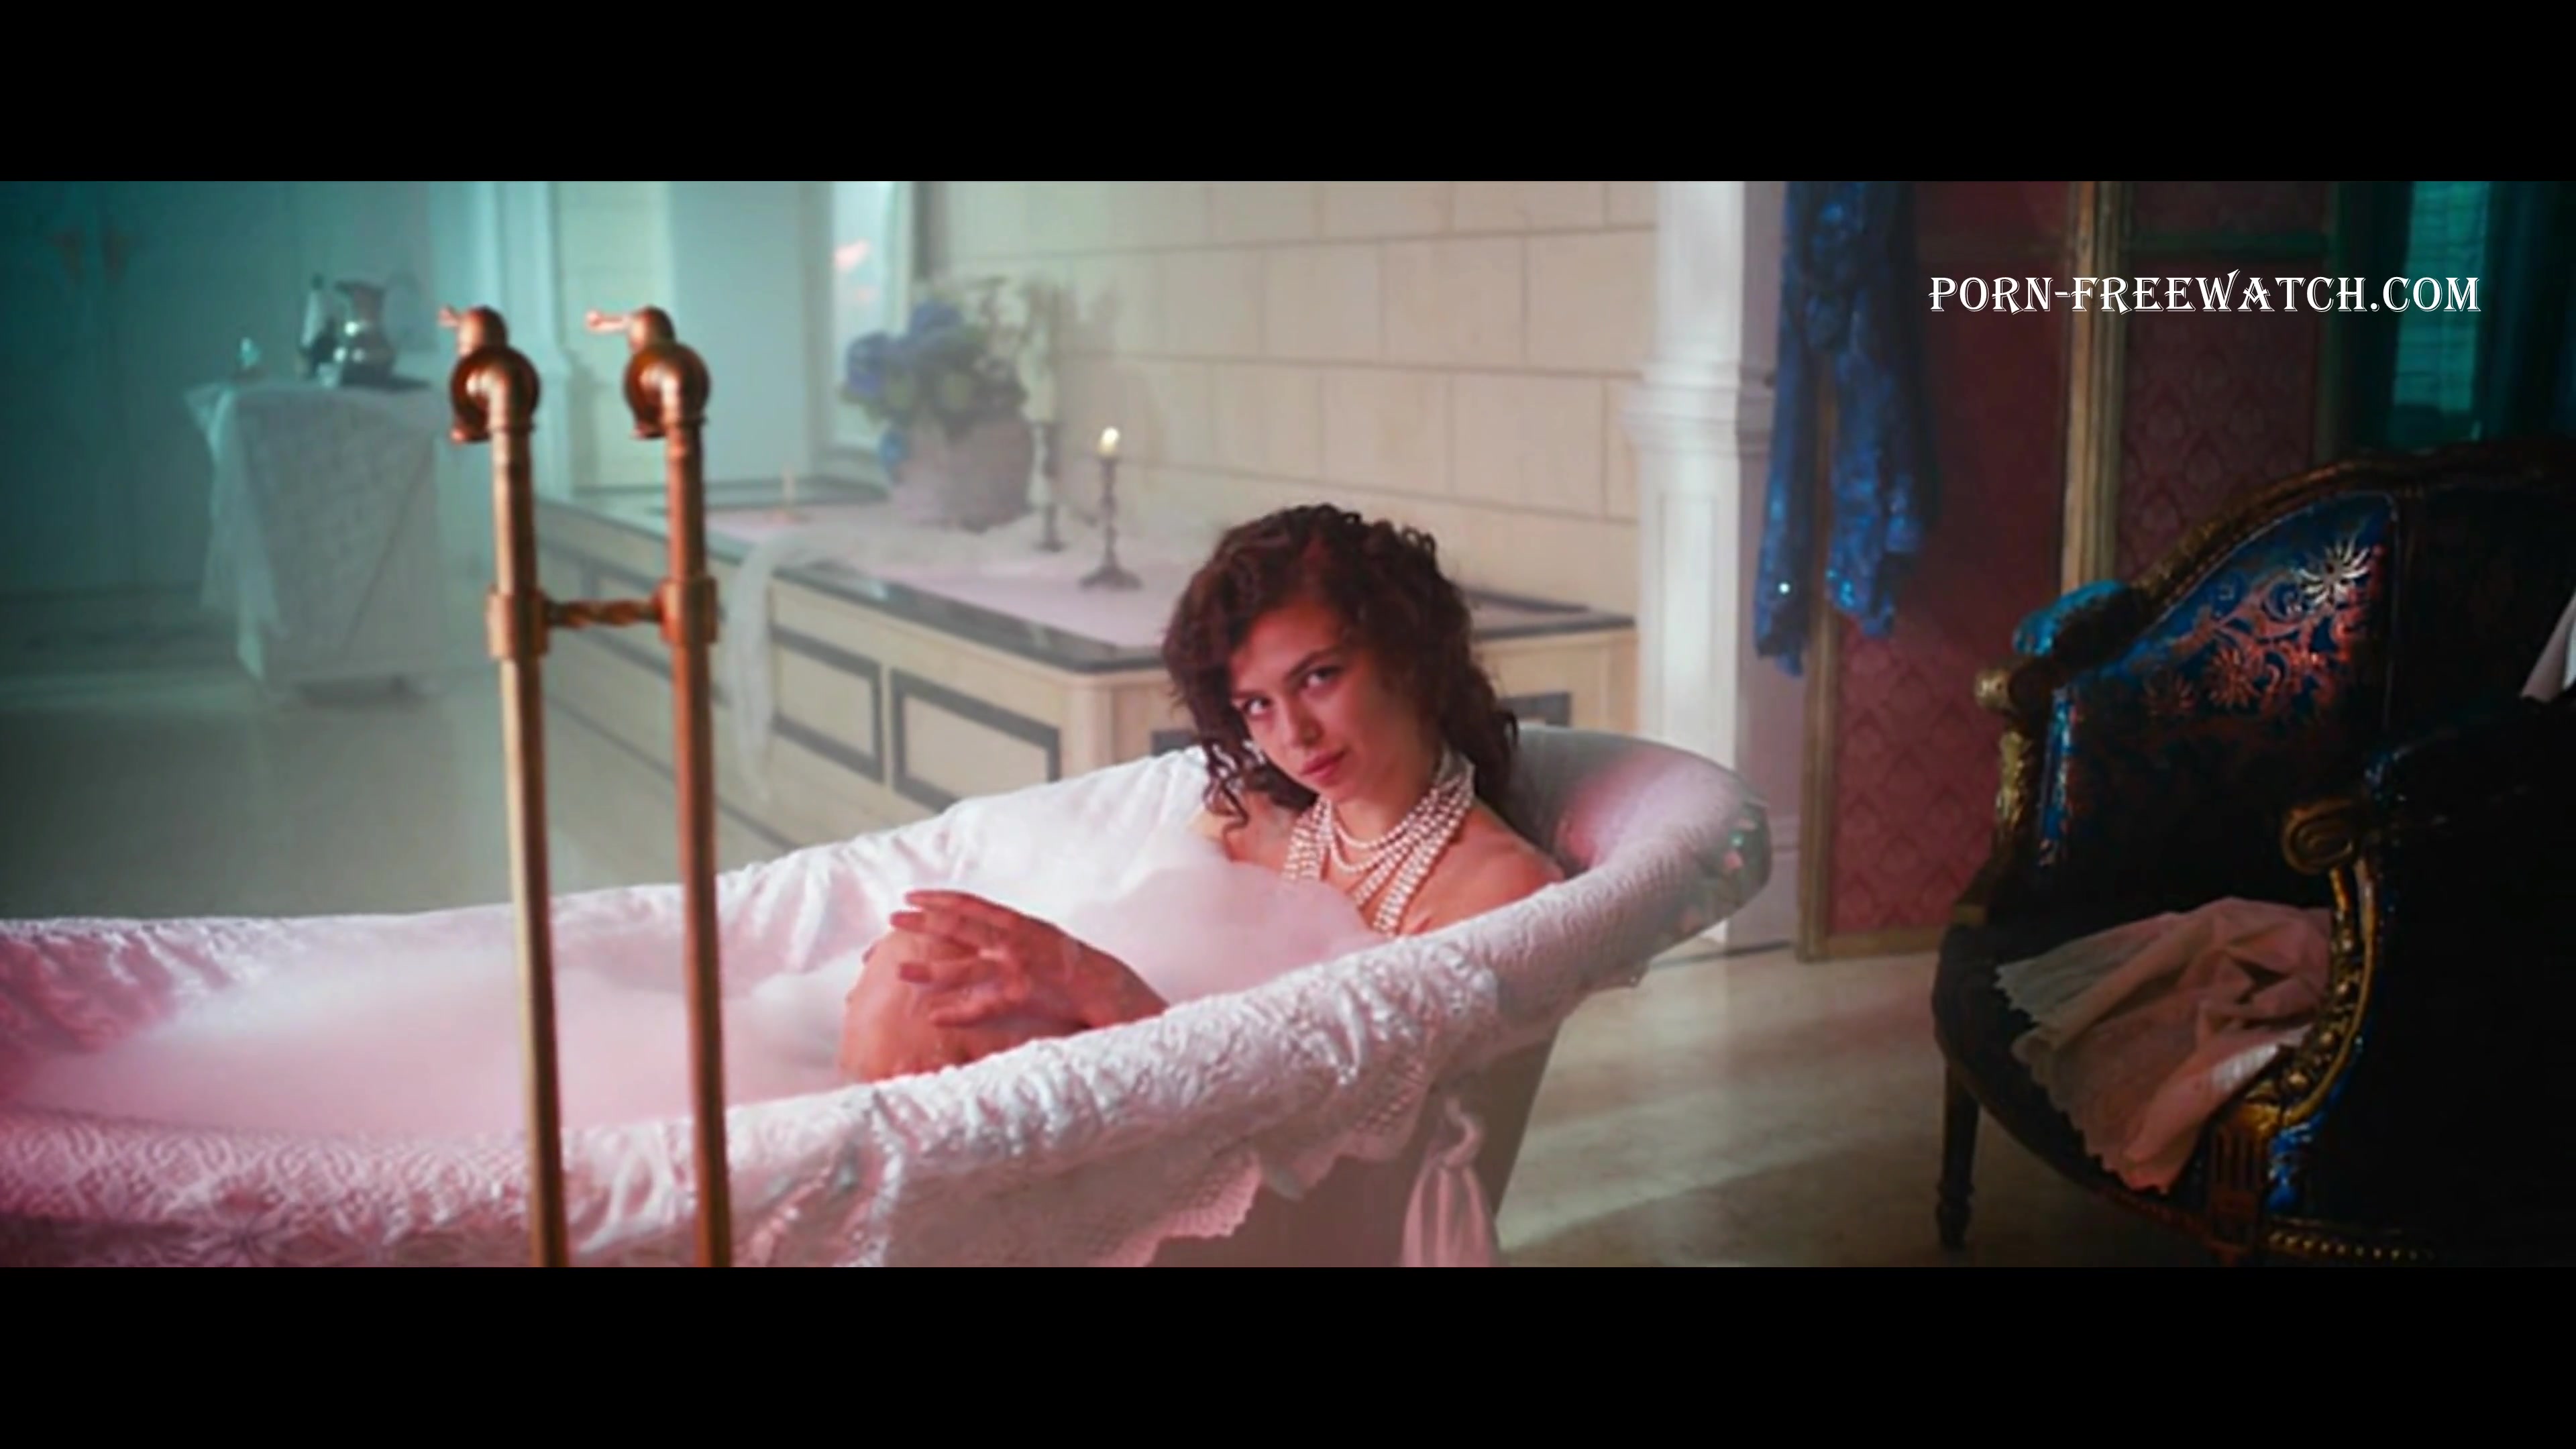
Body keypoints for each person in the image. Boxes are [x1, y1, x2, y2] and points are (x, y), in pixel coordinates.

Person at [838, 504, 1566, 1082]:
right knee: (917, 962)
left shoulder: (1497, 888)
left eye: (1320, 677)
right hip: (1146, 1093)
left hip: (1261, 1166)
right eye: (1257, 706)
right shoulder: (1249, 821)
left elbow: (1343, 1108)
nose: (1295, 734)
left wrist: (1103, 989)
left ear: (1409, 653)